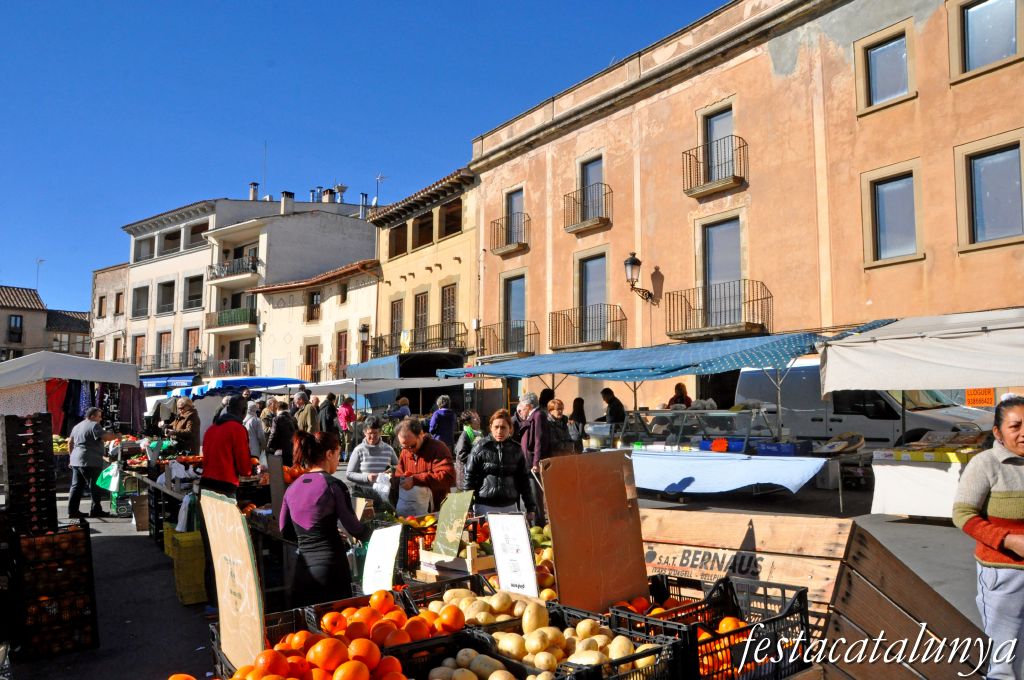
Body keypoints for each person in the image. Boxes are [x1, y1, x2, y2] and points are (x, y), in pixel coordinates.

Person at [953, 394, 1024, 679]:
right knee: (1004, 658)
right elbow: (963, 515)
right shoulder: (985, 464)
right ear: (998, 432)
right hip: (1003, 574)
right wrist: (1009, 540)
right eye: (1015, 426)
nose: (1023, 433)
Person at [281, 430, 369, 607]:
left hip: (302, 573)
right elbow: (355, 529)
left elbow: (285, 531)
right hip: (332, 571)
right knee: (338, 623)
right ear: (329, 454)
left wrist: (314, 535)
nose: (338, 460)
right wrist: (380, 534)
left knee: (308, 624)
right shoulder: (334, 485)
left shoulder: (291, 488)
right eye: (338, 454)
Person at [462, 410, 536, 517]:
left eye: (503, 427)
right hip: (484, 506)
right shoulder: (480, 448)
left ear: (510, 429)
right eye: (496, 427)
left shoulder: (517, 449)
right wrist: (467, 507)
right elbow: (469, 478)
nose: (499, 431)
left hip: (510, 506)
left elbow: (524, 481)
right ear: (490, 427)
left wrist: (530, 507)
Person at [394, 418, 455, 514]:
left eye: (412, 446)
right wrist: (395, 480)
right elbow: (398, 475)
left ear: (421, 434)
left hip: (438, 511)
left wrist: (416, 480)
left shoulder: (438, 448)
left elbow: (448, 476)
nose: (410, 450)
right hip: (412, 512)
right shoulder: (405, 452)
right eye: (404, 447)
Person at [68, 407, 118, 518]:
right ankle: (96, 510)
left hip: (76, 460)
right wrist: (117, 436)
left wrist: (71, 457)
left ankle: (72, 511)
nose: (100, 419)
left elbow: (70, 442)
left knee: (76, 486)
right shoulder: (94, 425)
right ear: (92, 416)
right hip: (90, 461)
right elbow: (105, 437)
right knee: (95, 486)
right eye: (99, 416)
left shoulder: (77, 426)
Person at [199, 395, 252, 497]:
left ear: (227, 409)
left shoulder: (211, 429)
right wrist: (250, 471)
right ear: (244, 411)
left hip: (205, 483)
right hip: (224, 486)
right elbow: (244, 466)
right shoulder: (238, 429)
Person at [346, 416, 399, 507]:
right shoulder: (358, 450)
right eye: (370, 433)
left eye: (375, 433)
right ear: (364, 432)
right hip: (364, 496)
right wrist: (367, 477)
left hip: (385, 495)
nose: (373, 436)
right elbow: (349, 474)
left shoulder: (389, 449)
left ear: (380, 432)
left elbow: (398, 468)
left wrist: (391, 471)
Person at [518, 392, 550, 526]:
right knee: (531, 495)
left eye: (522, 407)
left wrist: (536, 462)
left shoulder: (538, 415)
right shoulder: (533, 416)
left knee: (535, 496)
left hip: (532, 464)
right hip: (529, 462)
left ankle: (539, 525)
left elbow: (539, 440)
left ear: (529, 406)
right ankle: (535, 524)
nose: (521, 409)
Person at [453, 410, 481, 488]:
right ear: (469, 423)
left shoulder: (478, 434)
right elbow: (462, 455)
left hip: (472, 475)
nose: (479, 420)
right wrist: (478, 458)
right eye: (476, 418)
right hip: (465, 477)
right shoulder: (465, 435)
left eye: (478, 417)